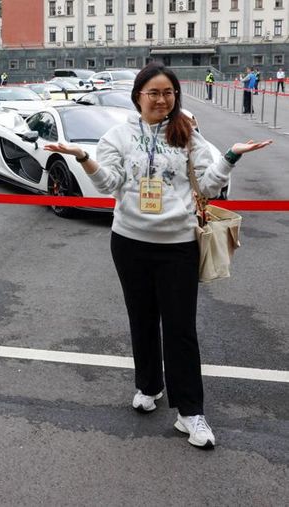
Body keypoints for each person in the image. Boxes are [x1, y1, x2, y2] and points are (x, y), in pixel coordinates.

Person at [44, 62, 272, 450]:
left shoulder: (187, 134)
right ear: (138, 96)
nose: (162, 99)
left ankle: (190, 412)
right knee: (142, 318)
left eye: (168, 93)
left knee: (181, 328)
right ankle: (148, 386)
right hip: (129, 242)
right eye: (154, 93)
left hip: (178, 245)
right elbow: (109, 185)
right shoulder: (118, 135)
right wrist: (83, 157)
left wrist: (231, 155)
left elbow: (212, 185)